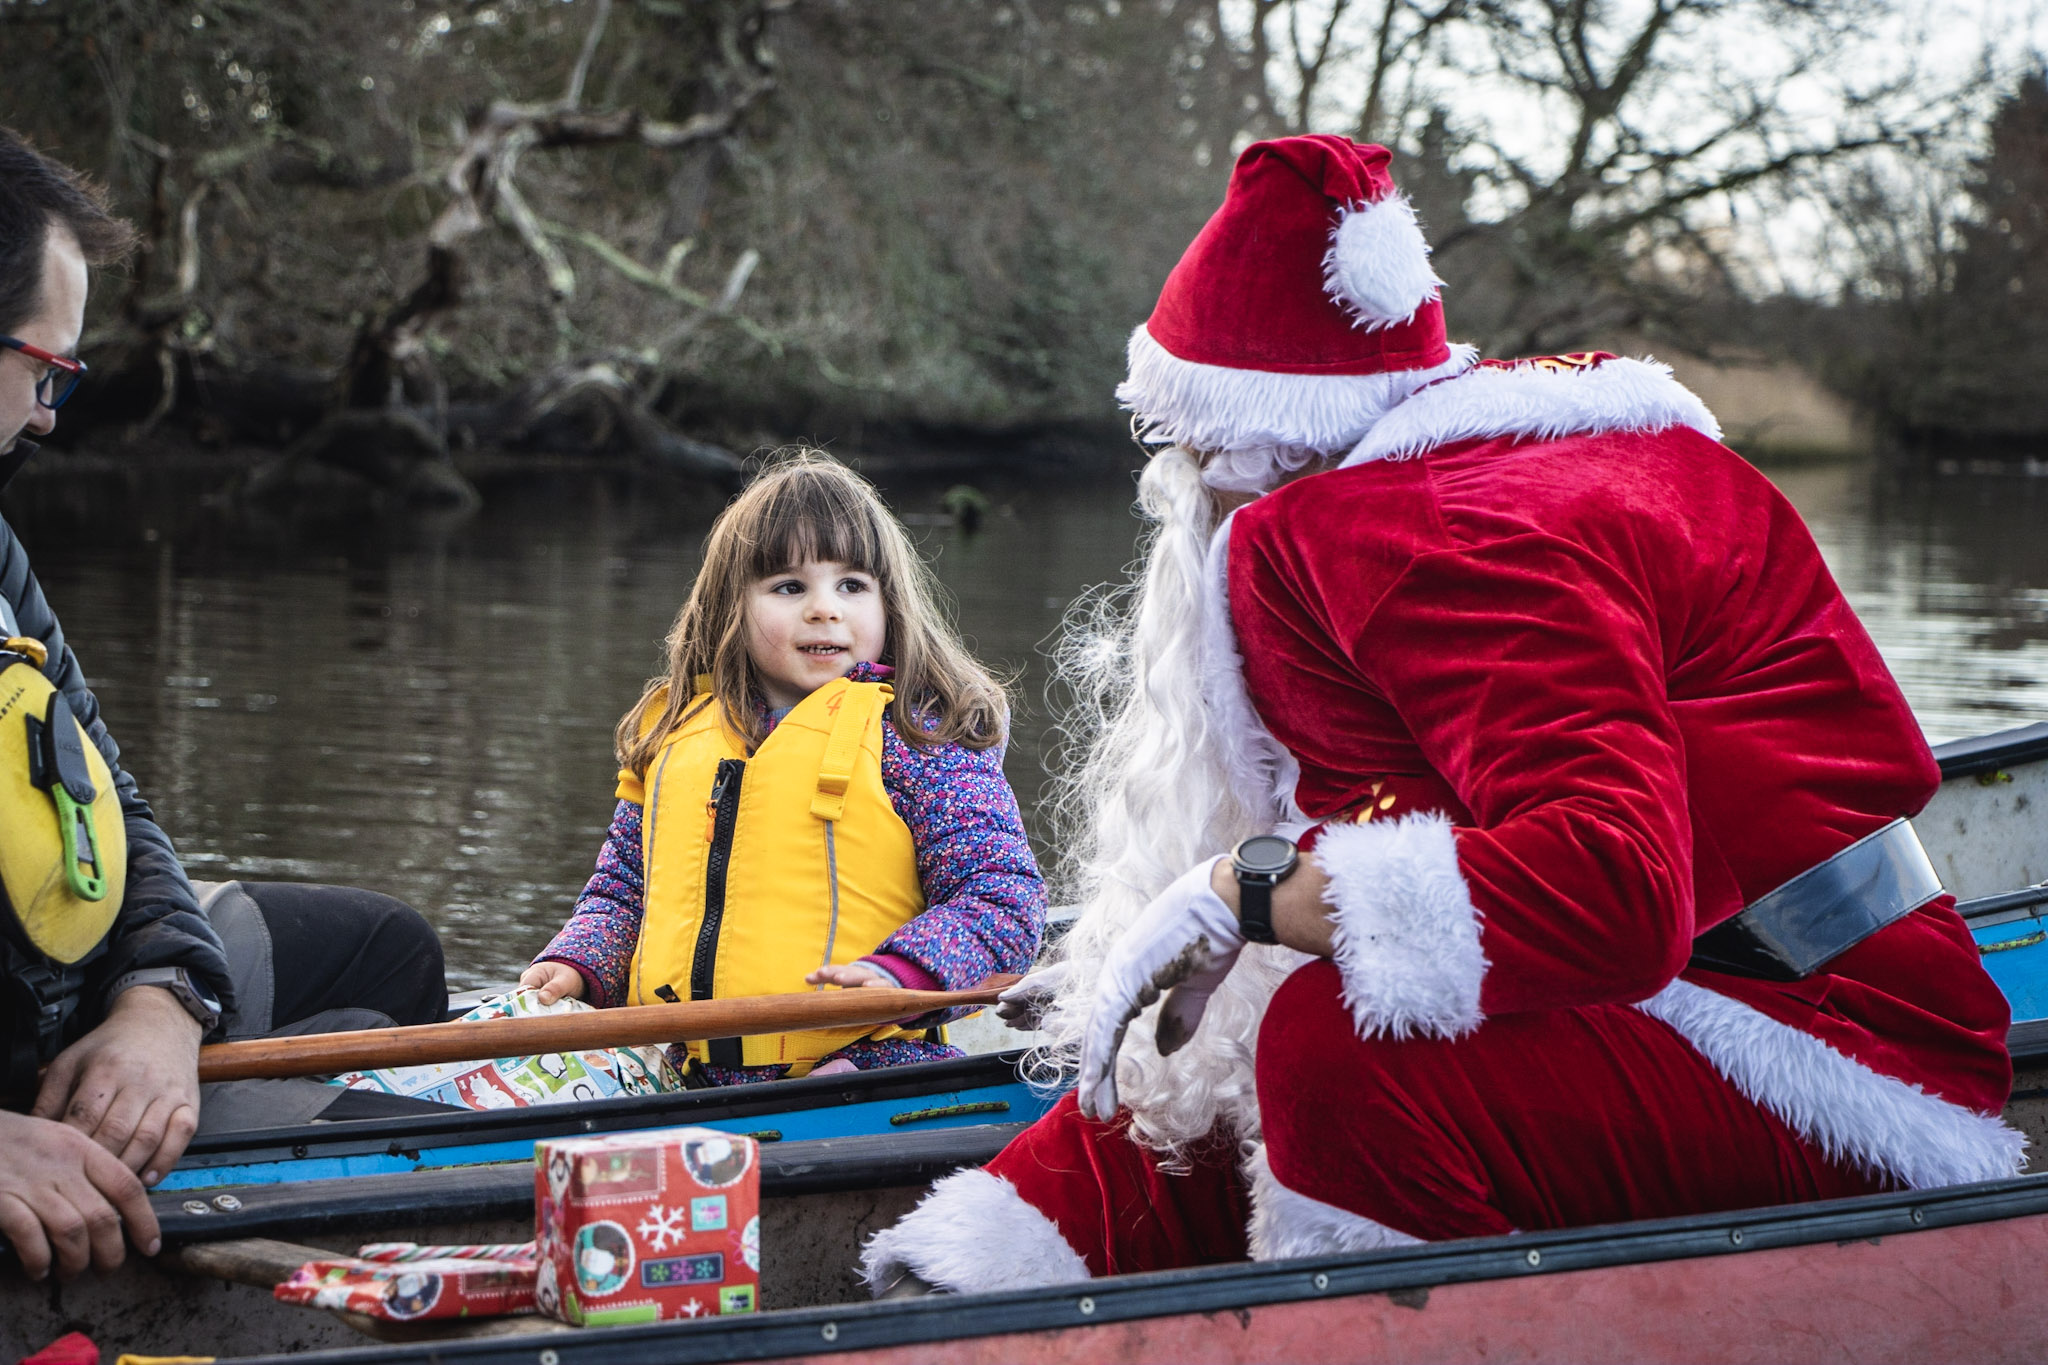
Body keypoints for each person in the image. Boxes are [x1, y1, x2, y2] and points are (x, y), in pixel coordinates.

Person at [860, 134, 2019, 1293]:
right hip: (1746, 994)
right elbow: (1459, 837)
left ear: (1244, 444)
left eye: (1188, 453)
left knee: (1336, 1050)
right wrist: (1268, 902)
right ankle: (978, 1278)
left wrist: (1246, 889)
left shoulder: (1421, 537)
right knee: (1226, 1047)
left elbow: (1612, 892)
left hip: (1834, 1059)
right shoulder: (1510, 463)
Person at [0, 128, 449, 1284]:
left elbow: (112, 785)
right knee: (413, 1155)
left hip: (65, 987)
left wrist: (161, 998)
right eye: (46, 371)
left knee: (383, 955)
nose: (50, 416)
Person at [520, 453, 1044, 1083]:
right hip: (677, 1068)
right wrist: (578, 963)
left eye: (852, 585)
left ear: (889, 604)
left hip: (863, 1061)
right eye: (789, 587)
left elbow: (1003, 902)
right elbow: (623, 895)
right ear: (732, 606)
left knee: (850, 1082)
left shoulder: (921, 741)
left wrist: (894, 974)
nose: (825, 609)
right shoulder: (673, 735)